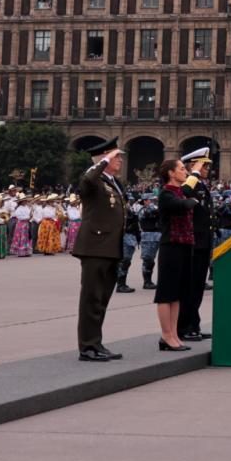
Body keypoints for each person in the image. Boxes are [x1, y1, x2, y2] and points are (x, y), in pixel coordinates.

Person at [73, 138, 130, 361]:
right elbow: (87, 180)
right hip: (95, 247)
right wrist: (104, 161)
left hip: (110, 247)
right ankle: (87, 347)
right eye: (117, 157)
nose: (120, 160)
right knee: (91, 299)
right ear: (104, 159)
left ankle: (96, 343)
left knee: (101, 300)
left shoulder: (112, 182)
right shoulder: (94, 180)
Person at [151, 158, 196, 350]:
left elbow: (189, 188)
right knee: (166, 293)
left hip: (184, 245)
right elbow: (182, 205)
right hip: (171, 246)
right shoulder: (166, 194)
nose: (185, 172)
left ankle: (174, 333)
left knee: (177, 294)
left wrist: (197, 170)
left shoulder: (180, 191)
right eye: (182, 169)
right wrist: (192, 201)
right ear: (171, 173)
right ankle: (166, 335)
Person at [175, 150, 216, 340]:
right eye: (204, 165)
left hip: (202, 243)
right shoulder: (188, 183)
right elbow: (183, 192)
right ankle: (183, 328)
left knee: (198, 287)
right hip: (193, 244)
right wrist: (195, 173)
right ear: (193, 165)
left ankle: (193, 325)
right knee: (190, 288)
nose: (208, 169)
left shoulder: (200, 184)